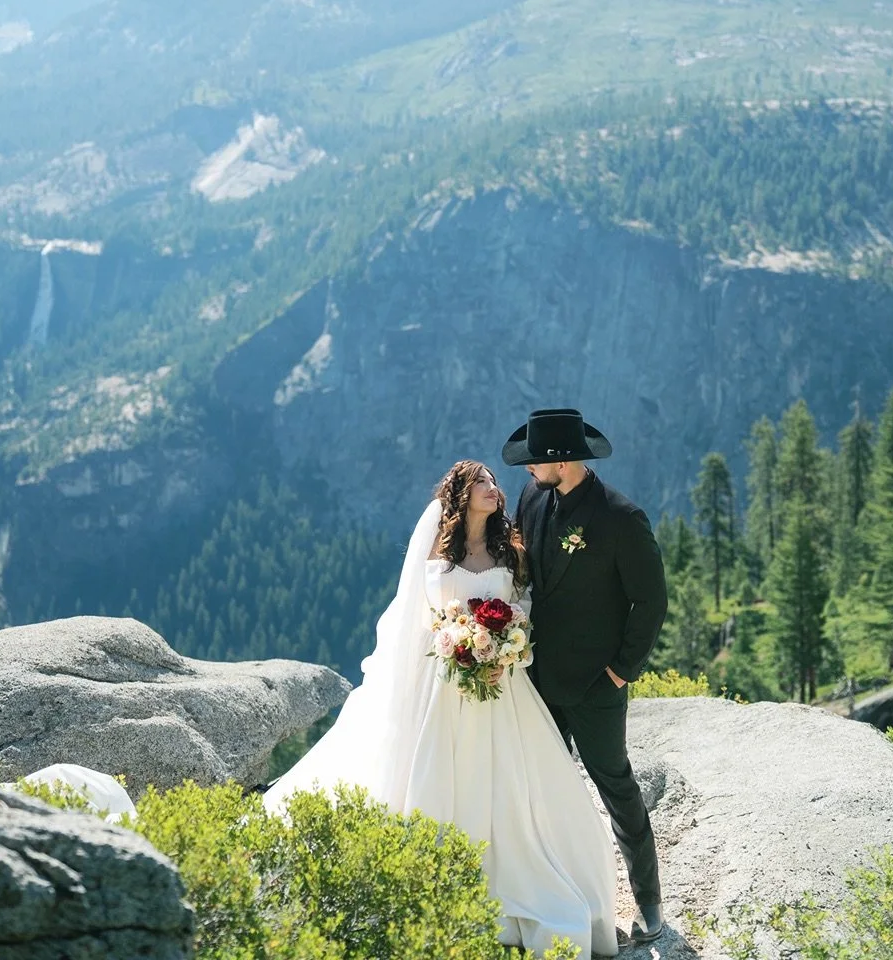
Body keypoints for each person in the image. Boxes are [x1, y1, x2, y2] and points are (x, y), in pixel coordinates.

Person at [263, 459, 618, 958]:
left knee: (510, 782)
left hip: (500, 684)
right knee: (439, 770)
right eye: (482, 483)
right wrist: (455, 642)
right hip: (442, 682)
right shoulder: (436, 549)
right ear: (460, 493)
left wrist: (508, 650)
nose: (494, 489)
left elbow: (524, 609)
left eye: (495, 482)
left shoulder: (509, 550)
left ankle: (518, 885)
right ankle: (436, 883)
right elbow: (416, 617)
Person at [504, 408, 668, 949]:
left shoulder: (621, 518)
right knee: (542, 790)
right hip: (537, 680)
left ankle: (649, 902)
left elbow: (650, 601)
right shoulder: (532, 499)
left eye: (535, 461)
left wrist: (620, 673)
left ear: (562, 461)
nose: (527, 470)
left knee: (616, 787)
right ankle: (559, 896)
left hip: (597, 685)